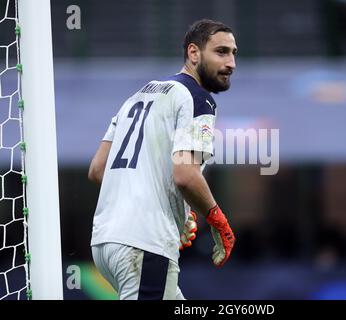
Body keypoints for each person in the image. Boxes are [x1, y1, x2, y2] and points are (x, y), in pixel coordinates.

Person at [88, 19, 237, 300]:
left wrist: (174, 210)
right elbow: (185, 176)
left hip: (105, 243)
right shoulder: (197, 97)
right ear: (194, 53)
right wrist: (219, 222)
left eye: (233, 53)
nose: (231, 63)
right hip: (143, 243)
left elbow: (98, 170)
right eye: (221, 52)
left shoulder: (138, 95)